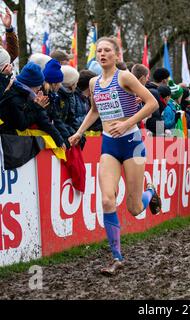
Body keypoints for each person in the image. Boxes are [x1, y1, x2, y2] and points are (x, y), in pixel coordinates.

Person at [68, 37, 161, 276]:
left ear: (116, 55)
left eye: (107, 50)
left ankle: (149, 191)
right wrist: (79, 132)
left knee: (134, 207)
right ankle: (117, 257)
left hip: (132, 143)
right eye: (99, 51)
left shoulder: (125, 77)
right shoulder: (94, 83)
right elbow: (94, 110)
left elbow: (152, 103)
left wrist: (127, 123)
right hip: (109, 145)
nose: (102, 54)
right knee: (108, 200)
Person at [0, 62, 65, 148]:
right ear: (30, 84)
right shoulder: (14, 96)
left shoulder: (28, 95)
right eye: (38, 85)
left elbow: (43, 120)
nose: (39, 88)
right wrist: (37, 106)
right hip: (10, 144)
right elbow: (21, 124)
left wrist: (59, 139)